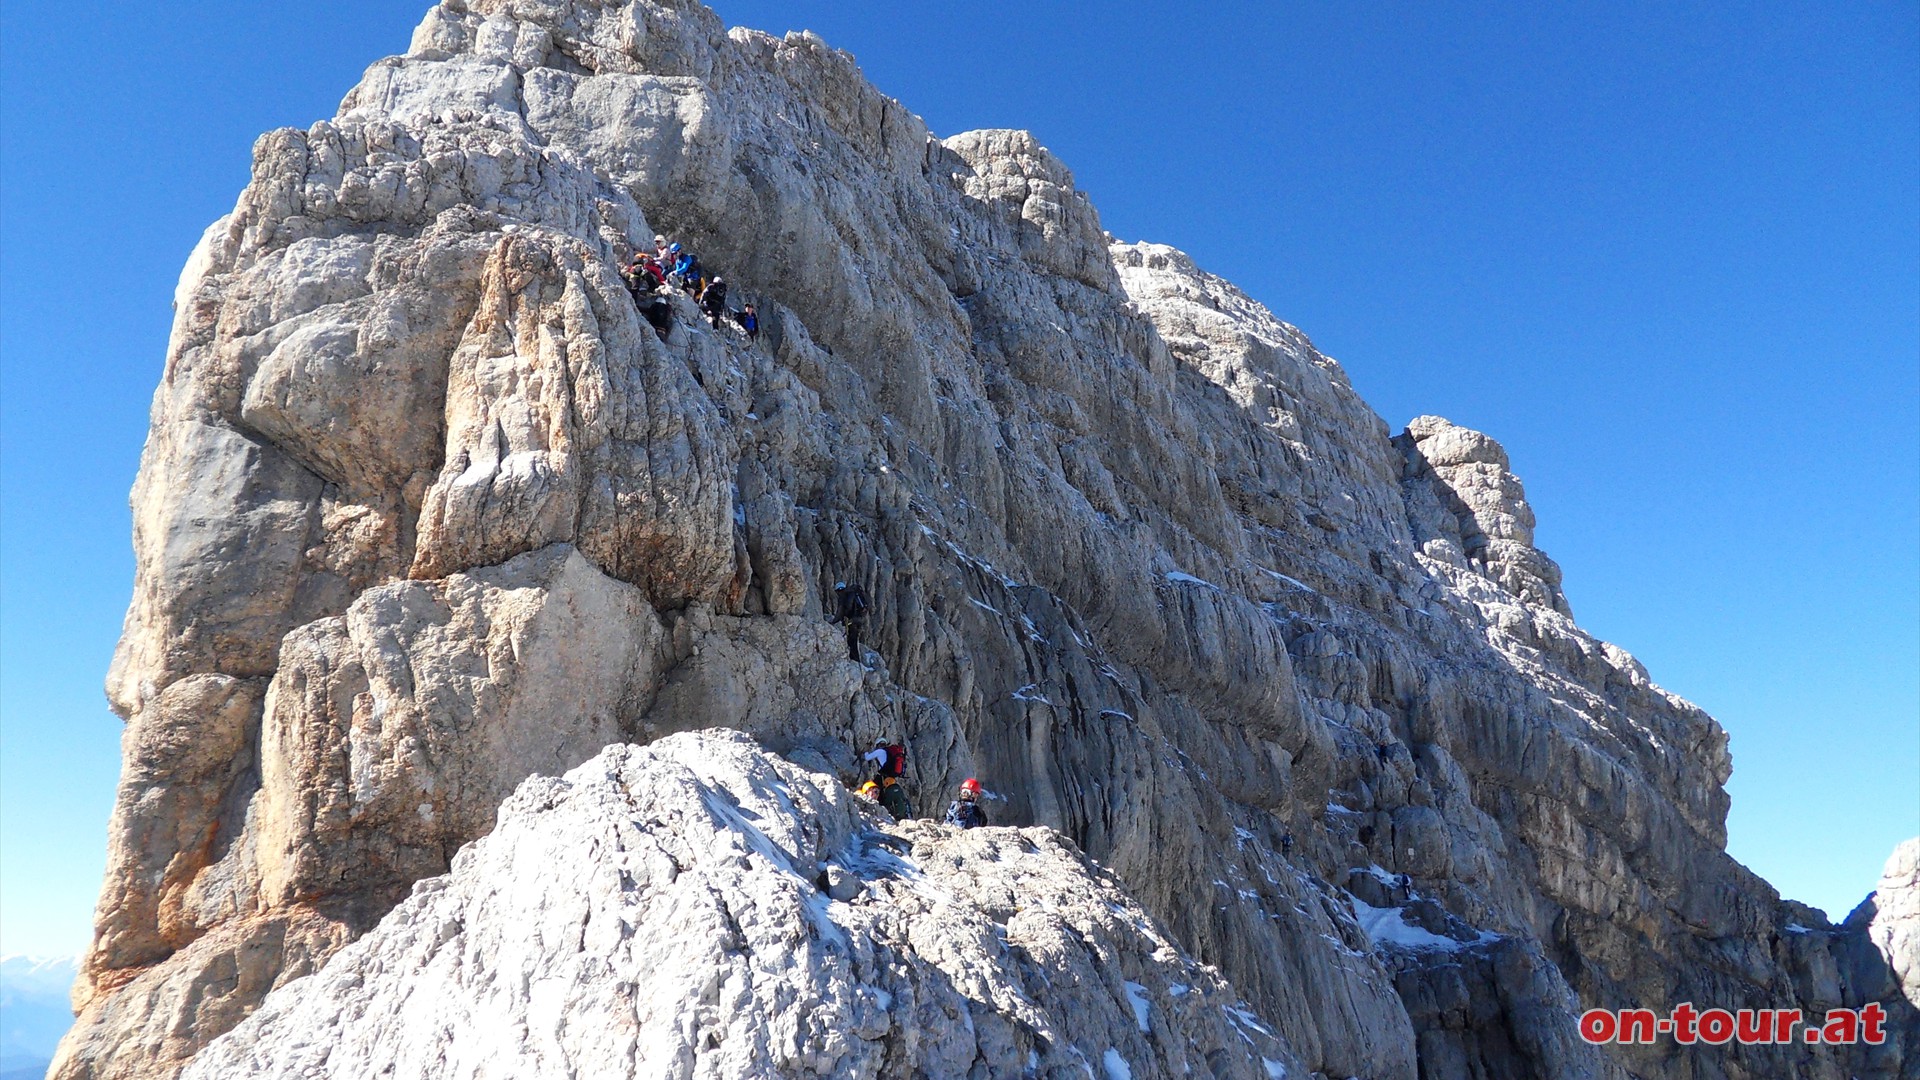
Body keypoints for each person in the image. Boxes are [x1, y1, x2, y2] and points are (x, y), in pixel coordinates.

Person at [863, 739, 911, 820]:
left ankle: (878, 810)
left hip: (883, 776)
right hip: (891, 777)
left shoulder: (879, 751)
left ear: (878, 744)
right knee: (887, 793)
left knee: (877, 789)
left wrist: (865, 751)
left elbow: (867, 758)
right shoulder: (889, 753)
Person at [830, 581, 869, 663]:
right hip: (859, 619)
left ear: (838, 591)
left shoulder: (843, 597)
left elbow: (840, 612)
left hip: (852, 621)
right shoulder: (853, 594)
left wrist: (833, 622)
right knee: (854, 639)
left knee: (852, 640)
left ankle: (855, 660)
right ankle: (855, 659)